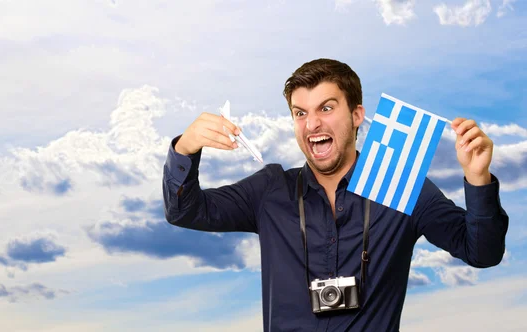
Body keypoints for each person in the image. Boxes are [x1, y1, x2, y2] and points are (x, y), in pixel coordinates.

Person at [161, 58, 508, 331]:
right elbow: (185, 211)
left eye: (326, 108)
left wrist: (477, 178)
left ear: (357, 115)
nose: (312, 124)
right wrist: (186, 148)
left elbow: (482, 252)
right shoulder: (270, 190)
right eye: (301, 113)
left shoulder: (399, 186)